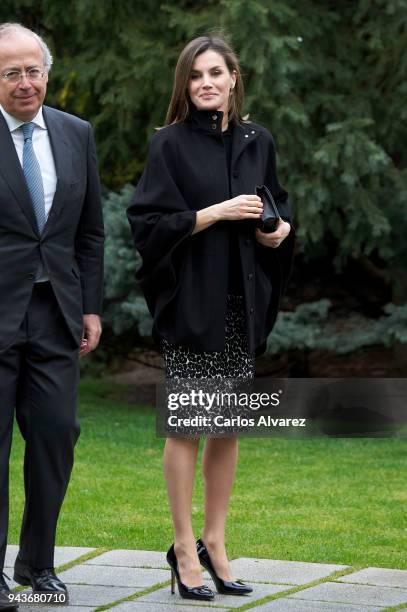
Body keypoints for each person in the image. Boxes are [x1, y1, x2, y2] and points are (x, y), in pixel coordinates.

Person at [127, 34, 294, 602]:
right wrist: (215, 213)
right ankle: (180, 548)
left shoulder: (257, 141)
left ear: (232, 79)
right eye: (196, 74)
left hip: (240, 304)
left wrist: (277, 228)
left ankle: (215, 544)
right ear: (185, 83)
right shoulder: (169, 146)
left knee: (227, 428)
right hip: (192, 304)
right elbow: (149, 227)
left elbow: (278, 213)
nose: (206, 82)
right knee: (187, 428)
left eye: (216, 72)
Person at [0, 23, 104, 608]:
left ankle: (38, 566)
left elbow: (91, 232)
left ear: (47, 72)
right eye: (11, 72)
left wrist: (90, 305)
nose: (24, 82)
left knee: (56, 437)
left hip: (56, 315)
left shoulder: (75, 133)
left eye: (32, 70)